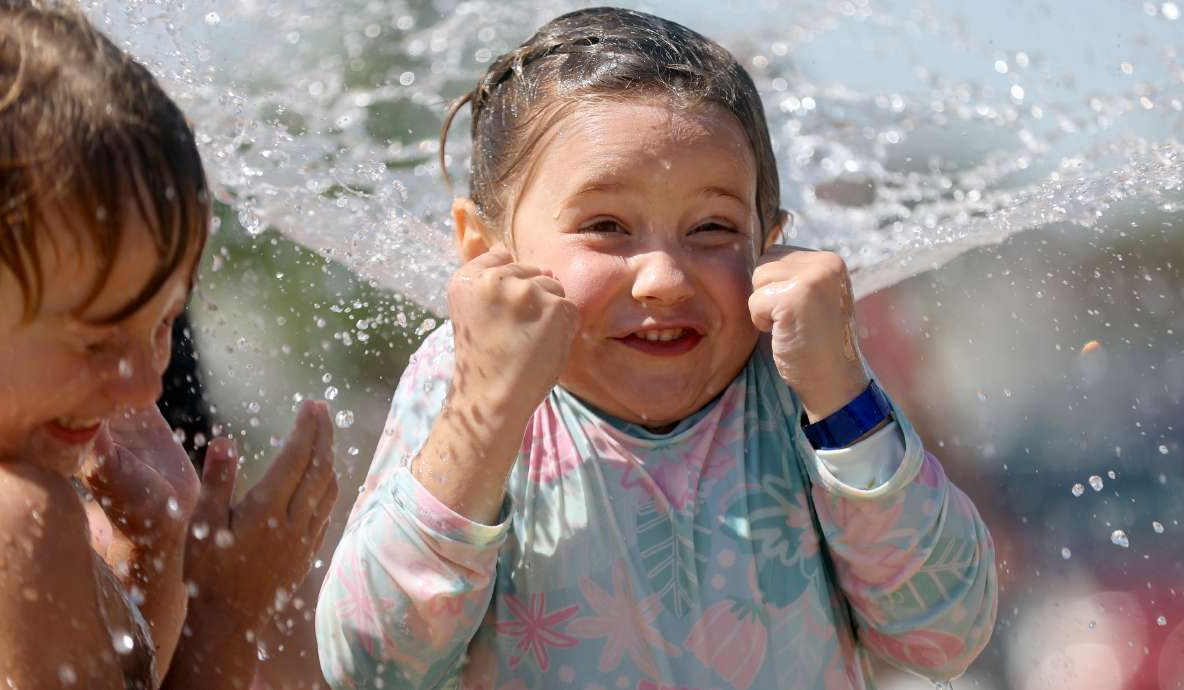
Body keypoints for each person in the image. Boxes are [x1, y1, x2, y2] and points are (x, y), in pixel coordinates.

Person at [316, 7, 998, 689]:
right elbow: (372, 666)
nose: (666, 280)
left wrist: (843, 394)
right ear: (483, 252)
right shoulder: (462, 382)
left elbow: (942, 638)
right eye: (606, 225)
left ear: (771, 241)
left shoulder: (801, 381)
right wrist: (486, 411)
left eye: (711, 227)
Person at [0, 1, 337, 688]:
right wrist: (228, 611)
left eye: (164, 324)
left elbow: (128, 675)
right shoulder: (8, 521)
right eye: (97, 338)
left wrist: (152, 551)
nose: (142, 385)